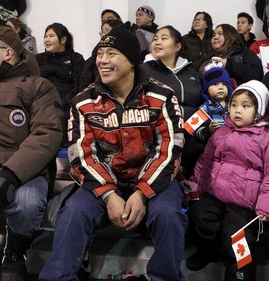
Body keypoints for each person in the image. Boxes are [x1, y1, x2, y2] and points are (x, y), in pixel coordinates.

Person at [38, 26, 187, 281]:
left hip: (153, 182)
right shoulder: (82, 102)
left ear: (131, 62)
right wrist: (108, 195)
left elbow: (169, 150)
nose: (102, 61)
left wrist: (141, 193)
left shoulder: (162, 96)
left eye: (111, 53)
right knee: (74, 212)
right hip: (105, 183)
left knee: (168, 215)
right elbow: (80, 156)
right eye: (100, 53)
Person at [0, 25, 63, 281]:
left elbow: (47, 134)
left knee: (26, 204)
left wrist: (10, 176)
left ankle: (13, 253)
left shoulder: (39, 87)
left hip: (24, 174)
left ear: (9, 53)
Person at [186, 80, 269, 281]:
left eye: (245, 106)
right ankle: (207, 253)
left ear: (258, 110)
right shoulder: (221, 133)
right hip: (214, 194)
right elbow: (205, 162)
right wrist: (194, 187)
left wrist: (266, 206)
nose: (238, 110)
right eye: (234, 105)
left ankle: (240, 275)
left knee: (239, 241)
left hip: (245, 202)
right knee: (200, 218)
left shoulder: (266, 137)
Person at [141, 25, 203, 178]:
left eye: (163, 38)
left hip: (191, 132)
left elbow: (203, 101)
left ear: (177, 46)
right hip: (159, 134)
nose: (157, 42)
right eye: (155, 39)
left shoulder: (191, 73)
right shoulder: (143, 70)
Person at [35, 22, 85, 147]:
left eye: (51, 36)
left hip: (66, 107)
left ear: (63, 39)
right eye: (45, 36)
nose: (47, 40)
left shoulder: (76, 59)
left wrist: (64, 103)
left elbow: (79, 86)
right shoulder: (37, 59)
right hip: (40, 106)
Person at [77, 19, 124, 92]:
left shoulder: (126, 55)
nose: (103, 34)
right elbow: (83, 86)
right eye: (102, 31)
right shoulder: (92, 60)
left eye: (107, 31)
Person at [194, 63, 233, 142]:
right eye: (215, 84)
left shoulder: (234, 104)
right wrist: (208, 130)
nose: (221, 87)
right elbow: (193, 129)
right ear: (207, 89)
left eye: (224, 84)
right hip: (215, 145)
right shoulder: (203, 108)